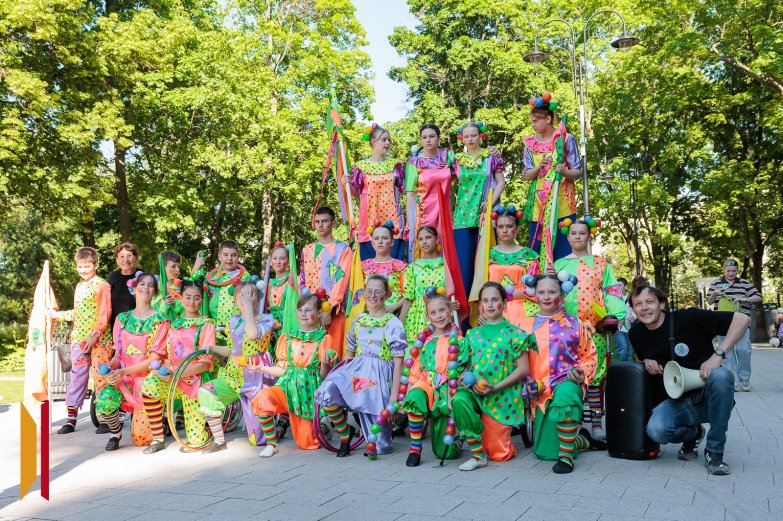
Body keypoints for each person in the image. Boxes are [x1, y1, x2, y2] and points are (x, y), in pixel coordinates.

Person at [629, 285, 750, 475]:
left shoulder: (689, 318)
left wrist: (718, 354)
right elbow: (640, 360)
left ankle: (715, 451)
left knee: (721, 376)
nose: (644, 308)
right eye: (638, 304)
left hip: (707, 398)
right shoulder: (635, 333)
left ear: (662, 304)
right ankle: (694, 433)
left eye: (649, 302)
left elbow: (742, 319)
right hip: (675, 402)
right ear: (633, 309)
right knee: (656, 431)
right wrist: (645, 361)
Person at [518, 275, 604, 474]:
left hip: (567, 383)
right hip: (540, 391)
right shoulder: (524, 325)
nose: (547, 296)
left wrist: (581, 373)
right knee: (546, 452)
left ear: (562, 295)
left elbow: (589, 355)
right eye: (542, 292)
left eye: (552, 292)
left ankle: (566, 459)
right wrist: (527, 382)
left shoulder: (575, 324)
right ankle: (583, 441)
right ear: (535, 296)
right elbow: (517, 359)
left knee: (565, 394)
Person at [315, 275, 406, 458]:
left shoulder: (392, 323)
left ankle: (378, 433)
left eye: (378, 292)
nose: (372, 295)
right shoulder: (359, 320)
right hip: (357, 371)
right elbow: (349, 352)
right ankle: (345, 432)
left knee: (380, 447)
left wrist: (394, 398)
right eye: (369, 291)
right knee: (326, 390)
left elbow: (399, 363)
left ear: (387, 295)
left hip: (379, 378)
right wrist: (343, 371)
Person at [554, 219, 625, 440]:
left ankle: (596, 423)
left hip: (595, 328)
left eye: (582, 233)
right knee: (570, 375)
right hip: (567, 330)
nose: (577, 236)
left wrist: (617, 316)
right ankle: (574, 422)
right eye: (573, 233)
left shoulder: (601, 264)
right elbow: (552, 294)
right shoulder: (558, 265)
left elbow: (611, 291)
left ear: (588, 236)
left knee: (595, 376)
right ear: (568, 236)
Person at [456, 282, 534, 467]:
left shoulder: (515, 334)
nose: (490, 305)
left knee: (499, 454)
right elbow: (467, 367)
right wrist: (463, 377)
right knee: (459, 399)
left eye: (494, 300)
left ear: (504, 304)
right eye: (485, 301)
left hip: (501, 396)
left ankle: (485, 432)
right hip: (475, 392)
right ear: (480, 305)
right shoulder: (472, 334)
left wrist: (495, 388)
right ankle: (478, 456)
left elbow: (523, 369)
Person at [251, 294, 335, 456]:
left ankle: (323, 427)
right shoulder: (288, 337)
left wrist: (325, 363)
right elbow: (282, 369)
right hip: (286, 388)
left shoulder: (324, 339)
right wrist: (262, 368)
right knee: (263, 398)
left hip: (307, 396)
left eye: (308, 310)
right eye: (300, 310)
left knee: (307, 444)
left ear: (319, 313)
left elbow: (324, 376)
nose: (303, 314)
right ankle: (272, 444)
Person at [197, 282, 275, 452]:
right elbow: (233, 350)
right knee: (206, 391)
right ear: (234, 299)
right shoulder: (233, 321)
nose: (245, 298)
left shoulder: (265, 319)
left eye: (250, 294)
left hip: (256, 377)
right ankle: (219, 441)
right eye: (241, 295)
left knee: (257, 440)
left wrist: (248, 309)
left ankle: (274, 430)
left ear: (257, 298)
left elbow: (253, 335)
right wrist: (212, 348)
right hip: (233, 375)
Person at [140, 280, 215, 453]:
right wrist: (163, 370)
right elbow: (168, 357)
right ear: (180, 298)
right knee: (149, 385)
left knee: (195, 442)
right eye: (187, 297)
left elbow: (205, 364)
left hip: (195, 382)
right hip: (173, 378)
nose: (191, 302)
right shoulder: (174, 325)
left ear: (202, 300)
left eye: (196, 298)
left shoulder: (206, 325)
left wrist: (175, 373)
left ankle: (209, 426)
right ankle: (158, 438)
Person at [98, 272, 170, 451]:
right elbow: (118, 356)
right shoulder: (122, 319)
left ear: (155, 292)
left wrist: (123, 371)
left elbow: (155, 358)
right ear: (134, 288)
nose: (146, 287)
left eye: (151, 285)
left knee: (141, 439)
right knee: (104, 398)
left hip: (147, 382)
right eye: (142, 284)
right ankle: (115, 433)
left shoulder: (160, 320)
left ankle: (158, 423)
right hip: (125, 380)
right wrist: (109, 368)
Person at [50, 247, 113, 434]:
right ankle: (71, 419)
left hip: (100, 340)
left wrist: (95, 335)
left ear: (96, 265)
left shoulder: (102, 285)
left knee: (101, 377)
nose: (83, 270)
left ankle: (106, 418)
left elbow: (104, 313)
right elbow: (78, 313)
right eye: (80, 266)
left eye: (87, 266)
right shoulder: (79, 287)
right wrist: (57, 315)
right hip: (79, 339)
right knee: (77, 377)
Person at [402, 293, 467, 467]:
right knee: (414, 398)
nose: (438, 316)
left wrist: (454, 392)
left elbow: (461, 370)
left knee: (445, 453)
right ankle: (415, 450)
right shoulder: (424, 341)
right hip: (426, 384)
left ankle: (460, 440)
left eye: (442, 310)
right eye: (433, 312)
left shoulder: (459, 341)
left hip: (446, 388)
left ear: (449, 311)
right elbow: (416, 367)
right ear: (428, 316)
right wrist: (409, 390)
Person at [522, 94, 581, 263]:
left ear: (548, 119)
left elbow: (577, 171)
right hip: (538, 206)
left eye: (536, 121)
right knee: (536, 254)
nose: (533, 125)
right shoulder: (530, 144)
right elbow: (526, 175)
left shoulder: (566, 138)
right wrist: (538, 167)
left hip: (563, 205)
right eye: (531, 121)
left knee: (563, 255)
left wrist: (564, 172)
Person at [453, 122, 506, 297]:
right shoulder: (456, 161)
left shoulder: (490, 157)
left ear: (481, 136)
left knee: (484, 262)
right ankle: (464, 308)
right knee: (464, 264)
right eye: (466, 136)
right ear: (461, 138)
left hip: (485, 214)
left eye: (473, 135)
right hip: (462, 217)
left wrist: (491, 201)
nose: (470, 139)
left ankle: (485, 304)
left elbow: (501, 182)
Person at [346, 124, 407, 261]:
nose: (388, 143)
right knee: (370, 268)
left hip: (393, 223)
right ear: (373, 141)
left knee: (394, 267)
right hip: (369, 224)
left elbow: (405, 189)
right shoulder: (360, 167)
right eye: (384, 139)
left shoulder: (396, 166)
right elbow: (354, 193)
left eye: (388, 140)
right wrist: (347, 183)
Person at [300, 206, 352, 357]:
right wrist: (306, 307)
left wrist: (327, 310)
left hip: (334, 311)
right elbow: (303, 280)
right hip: (310, 311)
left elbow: (341, 282)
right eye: (317, 222)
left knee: (332, 353)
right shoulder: (307, 250)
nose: (320, 225)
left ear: (333, 223)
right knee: (310, 355)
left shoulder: (343, 249)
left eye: (325, 221)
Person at [706, 258, 762, 391]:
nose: (731, 273)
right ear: (724, 270)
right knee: (727, 353)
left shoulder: (744, 283)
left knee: (744, 350)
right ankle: (733, 381)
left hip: (742, 323)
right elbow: (709, 301)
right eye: (728, 271)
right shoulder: (716, 283)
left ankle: (745, 379)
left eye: (734, 271)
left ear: (737, 271)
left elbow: (758, 297)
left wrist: (744, 299)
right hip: (723, 324)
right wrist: (715, 293)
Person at [404, 124, 457, 259]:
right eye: (424, 137)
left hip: (445, 213)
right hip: (424, 213)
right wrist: (410, 221)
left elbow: (462, 177)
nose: (428, 140)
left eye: (432, 136)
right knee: (426, 248)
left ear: (438, 138)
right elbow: (410, 193)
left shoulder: (448, 156)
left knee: (445, 249)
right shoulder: (414, 162)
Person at [399, 226, 454, 342]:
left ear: (437, 239)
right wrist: (399, 326)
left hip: (440, 313)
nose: (424, 242)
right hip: (417, 317)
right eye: (420, 239)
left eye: (428, 237)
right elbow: (408, 299)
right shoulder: (413, 268)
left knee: (441, 346)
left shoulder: (447, 266)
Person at [487, 210, 540, 325]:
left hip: (522, 312)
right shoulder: (487, 254)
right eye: (501, 227)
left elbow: (536, 288)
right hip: (492, 310)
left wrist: (504, 295)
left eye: (509, 226)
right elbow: (480, 285)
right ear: (496, 230)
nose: (505, 230)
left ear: (517, 229)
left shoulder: (529, 255)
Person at [205, 240, 251, 344]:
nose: (229, 258)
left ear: (238, 257)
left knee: (234, 352)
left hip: (236, 327)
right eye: (226, 255)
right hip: (214, 326)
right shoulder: (212, 277)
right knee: (215, 352)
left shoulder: (245, 277)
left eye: (233, 255)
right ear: (219, 256)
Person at [152, 250, 206, 320]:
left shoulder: (181, 285)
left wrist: (175, 304)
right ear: (163, 267)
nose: (177, 270)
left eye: (178, 266)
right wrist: (164, 304)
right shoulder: (154, 288)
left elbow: (191, 283)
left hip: (180, 325)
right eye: (173, 266)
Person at [107, 242, 141, 328]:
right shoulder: (112, 277)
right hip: (117, 327)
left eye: (129, 256)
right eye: (122, 256)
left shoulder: (143, 277)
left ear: (136, 258)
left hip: (138, 326)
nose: (125, 260)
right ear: (117, 260)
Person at [613, 277, 634, 362]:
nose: (617, 288)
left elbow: (635, 310)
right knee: (622, 348)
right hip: (618, 328)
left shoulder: (631, 298)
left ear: (625, 287)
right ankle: (619, 366)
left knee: (629, 351)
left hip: (629, 328)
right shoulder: (613, 299)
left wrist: (634, 317)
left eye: (620, 285)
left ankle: (628, 367)